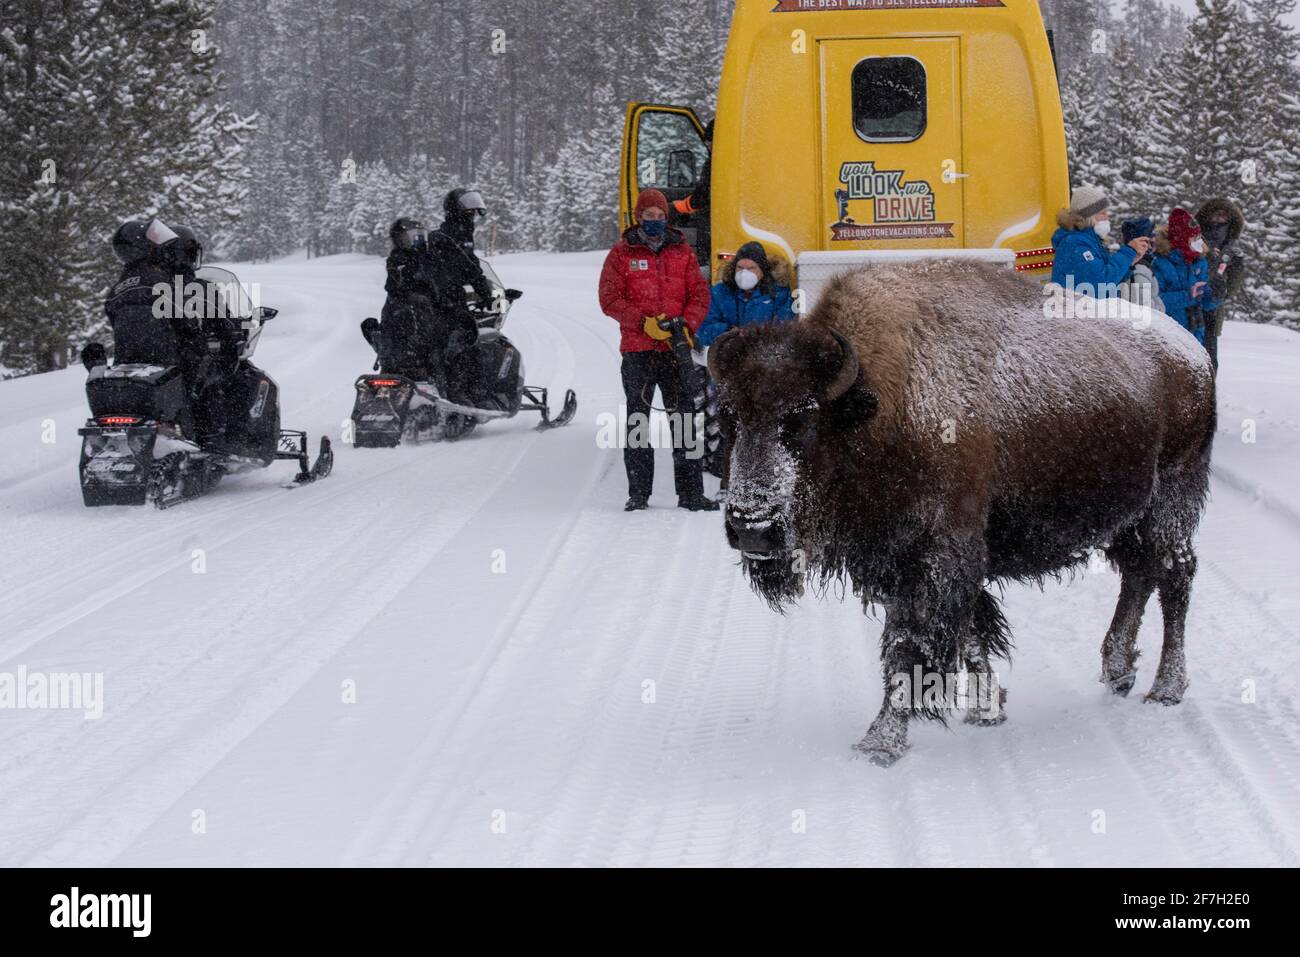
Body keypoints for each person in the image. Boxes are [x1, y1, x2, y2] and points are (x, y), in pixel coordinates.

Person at [599, 188, 715, 512]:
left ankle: (691, 494)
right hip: (638, 351)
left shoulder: (682, 252)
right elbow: (609, 298)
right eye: (649, 216)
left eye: (660, 216)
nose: (655, 221)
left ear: (666, 218)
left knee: (685, 422)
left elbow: (700, 295)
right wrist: (642, 322)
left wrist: (686, 325)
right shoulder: (621, 254)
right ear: (639, 217)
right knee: (638, 422)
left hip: (675, 351)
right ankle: (639, 494)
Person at [375, 217, 443, 381]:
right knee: (437, 344)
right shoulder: (399, 260)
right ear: (399, 239)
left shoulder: (424, 259)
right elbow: (400, 284)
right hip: (406, 319)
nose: (416, 241)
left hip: (409, 319)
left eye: (419, 236)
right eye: (411, 237)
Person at [1050, 186, 1151, 296]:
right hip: (1080, 310)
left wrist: (1130, 262)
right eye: (1103, 213)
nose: (1107, 217)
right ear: (1088, 216)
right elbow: (1101, 285)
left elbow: (1111, 282)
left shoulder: (1091, 241)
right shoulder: (1076, 244)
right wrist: (1128, 252)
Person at [696, 241, 796, 347]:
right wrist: (728, 332)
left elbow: (785, 329)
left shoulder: (778, 294)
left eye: (751, 268)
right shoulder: (720, 293)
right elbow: (704, 328)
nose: (744, 273)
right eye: (740, 267)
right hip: (728, 354)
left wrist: (757, 337)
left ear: (762, 271)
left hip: (764, 356)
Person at [1195, 197, 1246, 370]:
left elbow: (1232, 287)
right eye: (1215, 216)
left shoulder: (1231, 248)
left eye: (1223, 217)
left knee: (1210, 360)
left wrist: (1234, 270)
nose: (1218, 221)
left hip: (1214, 309)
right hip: (1191, 306)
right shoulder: (1195, 242)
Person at [1151, 207, 1213, 345]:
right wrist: (1188, 296)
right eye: (1194, 238)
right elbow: (1156, 302)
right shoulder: (1160, 263)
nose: (1199, 242)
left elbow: (1205, 304)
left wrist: (1215, 295)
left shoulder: (1200, 262)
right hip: (1169, 337)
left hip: (1196, 335)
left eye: (1199, 237)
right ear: (1183, 239)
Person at [1117, 218, 1165, 315]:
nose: (1152, 246)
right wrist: (1161, 309)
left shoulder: (1138, 265)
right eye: (1149, 242)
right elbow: (1145, 307)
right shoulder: (1139, 270)